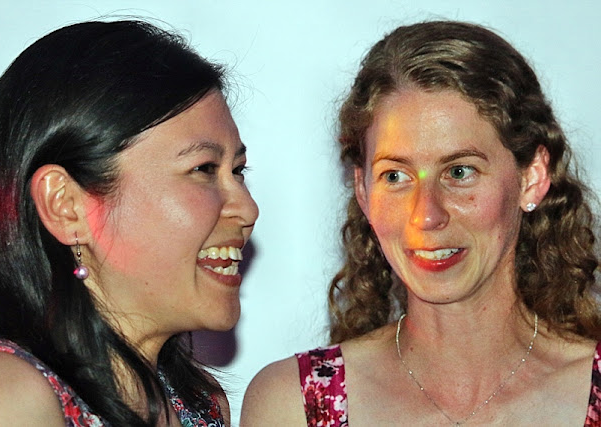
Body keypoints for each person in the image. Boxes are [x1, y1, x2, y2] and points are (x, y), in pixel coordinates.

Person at [241, 20, 600, 426]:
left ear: (531, 178)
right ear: (363, 191)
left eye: (460, 172)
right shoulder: (293, 405)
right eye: (395, 176)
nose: (426, 215)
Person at [0, 19, 258, 426]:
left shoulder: (203, 405)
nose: (247, 209)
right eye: (204, 168)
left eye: (238, 171)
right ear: (66, 206)